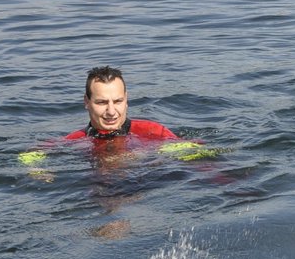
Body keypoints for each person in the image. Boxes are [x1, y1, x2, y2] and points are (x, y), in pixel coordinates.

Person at [19, 65, 206, 176]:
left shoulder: (153, 131)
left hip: (149, 187)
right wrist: (36, 170)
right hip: (95, 193)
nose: (111, 111)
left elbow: (199, 159)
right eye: (101, 102)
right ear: (87, 102)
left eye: (117, 101)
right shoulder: (76, 140)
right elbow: (31, 153)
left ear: (126, 99)